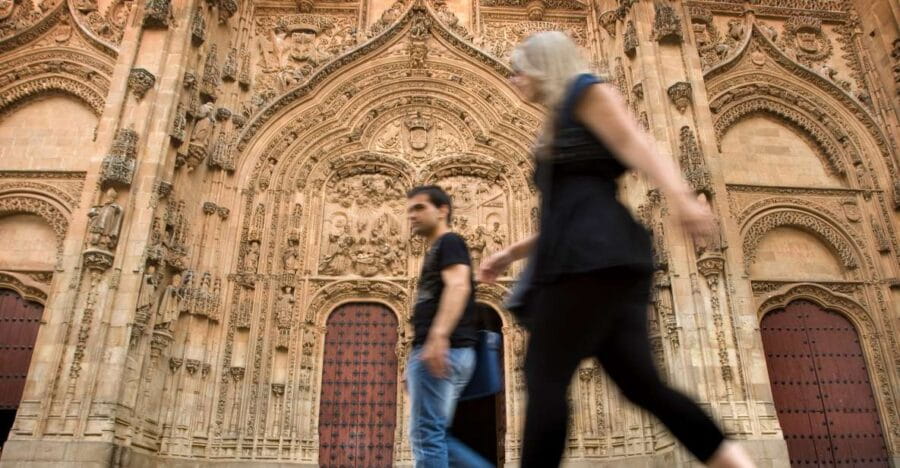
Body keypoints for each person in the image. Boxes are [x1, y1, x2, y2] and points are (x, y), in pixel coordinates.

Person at [477, 32, 755, 468]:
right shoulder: (559, 118)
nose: (514, 80)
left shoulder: (586, 90)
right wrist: (510, 254)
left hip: (588, 259)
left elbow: (636, 143)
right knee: (641, 385)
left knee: (544, 378)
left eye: (520, 69)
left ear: (544, 65)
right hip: (603, 255)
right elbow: (564, 210)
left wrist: (682, 197)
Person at [405, 185, 494, 468]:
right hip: (443, 351)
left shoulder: (450, 242)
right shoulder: (440, 247)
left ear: (442, 211)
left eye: (419, 208)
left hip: (444, 349)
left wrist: (437, 337)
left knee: (427, 435)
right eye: (409, 210)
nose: (412, 216)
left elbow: (458, 285)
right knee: (436, 435)